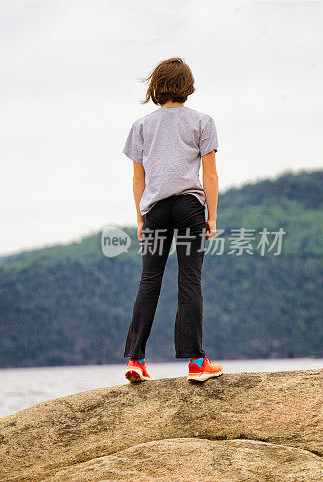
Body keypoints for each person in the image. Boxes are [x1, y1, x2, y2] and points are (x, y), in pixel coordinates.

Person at [120, 57, 224, 383]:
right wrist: (212, 217)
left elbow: (139, 180)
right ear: (187, 86)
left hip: (155, 210)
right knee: (189, 281)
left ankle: (136, 360)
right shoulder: (203, 122)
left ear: (156, 86)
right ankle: (196, 363)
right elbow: (210, 174)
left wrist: (140, 218)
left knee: (149, 282)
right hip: (190, 207)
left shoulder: (141, 126)